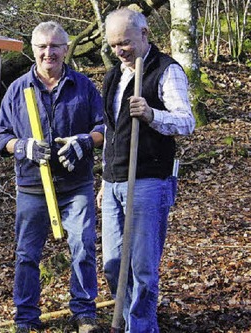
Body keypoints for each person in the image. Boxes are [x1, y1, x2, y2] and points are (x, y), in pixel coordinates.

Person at [0, 21, 104, 333]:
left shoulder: (84, 87)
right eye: (42, 47)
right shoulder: (18, 90)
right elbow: (0, 136)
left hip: (76, 186)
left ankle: (84, 314)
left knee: (83, 246)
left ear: (65, 49)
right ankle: (26, 319)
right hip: (32, 187)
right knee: (27, 255)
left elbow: (104, 128)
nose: (48, 52)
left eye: (55, 46)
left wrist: (85, 142)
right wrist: (23, 146)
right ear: (33, 51)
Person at [98, 8, 196, 332]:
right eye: (113, 45)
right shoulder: (113, 75)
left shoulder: (167, 70)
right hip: (114, 182)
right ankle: (128, 320)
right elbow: (111, 131)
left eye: (125, 42)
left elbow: (186, 122)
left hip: (149, 181)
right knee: (114, 266)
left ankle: (140, 327)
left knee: (142, 268)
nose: (119, 51)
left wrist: (153, 115)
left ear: (144, 34)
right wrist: (104, 179)